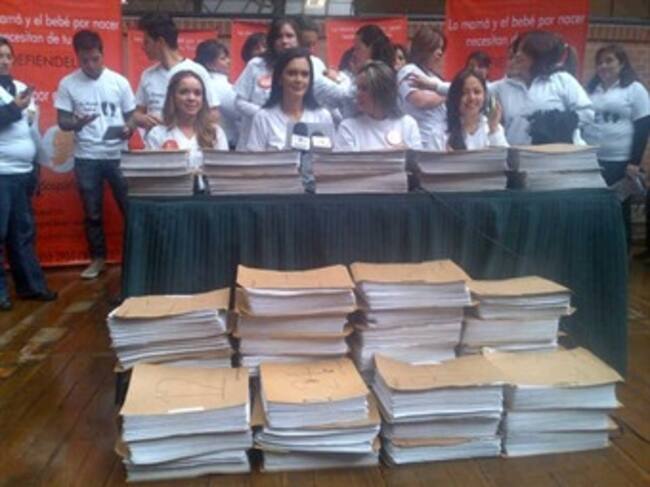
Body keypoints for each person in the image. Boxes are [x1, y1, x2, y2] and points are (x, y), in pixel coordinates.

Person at [55, 30, 136, 280]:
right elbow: (62, 121)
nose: (90, 65)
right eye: (84, 60)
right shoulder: (68, 83)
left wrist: (129, 128)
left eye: (95, 59)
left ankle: (135, 258)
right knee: (92, 213)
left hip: (119, 155)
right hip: (87, 157)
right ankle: (98, 259)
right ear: (77, 57)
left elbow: (132, 116)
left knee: (130, 209)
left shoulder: (119, 82)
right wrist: (76, 122)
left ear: (102, 54)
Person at [0, 37, 56, 310]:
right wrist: (16, 108)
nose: (4, 61)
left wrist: (37, 166)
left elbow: (32, 131)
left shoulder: (22, 88)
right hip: (1, 174)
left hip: (23, 172)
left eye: (7, 56)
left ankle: (31, 286)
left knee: (22, 233)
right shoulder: (18, 99)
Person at [583, 44, 650, 248]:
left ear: (622, 64)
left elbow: (643, 126)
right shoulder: (590, 90)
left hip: (619, 162)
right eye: (599, 62)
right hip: (591, 160)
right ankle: (595, 250)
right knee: (593, 208)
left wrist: (634, 162)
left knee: (618, 209)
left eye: (609, 60)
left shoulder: (634, 89)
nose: (603, 66)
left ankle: (620, 254)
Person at [500, 30, 593, 145]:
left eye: (525, 51)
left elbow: (587, 113)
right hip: (518, 154)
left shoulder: (562, 80)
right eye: (518, 50)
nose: (518, 54)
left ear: (540, 57)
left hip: (558, 153)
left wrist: (552, 124)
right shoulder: (501, 87)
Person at [133, 13, 219, 131]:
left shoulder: (197, 71)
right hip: (154, 141)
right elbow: (137, 112)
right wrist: (142, 119)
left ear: (160, 42)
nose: (143, 47)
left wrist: (181, 124)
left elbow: (213, 114)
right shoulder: (148, 75)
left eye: (147, 42)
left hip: (187, 141)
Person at [246, 48, 333, 151]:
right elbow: (255, 159)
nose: (299, 80)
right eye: (292, 73)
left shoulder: (322, 116)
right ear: (279, 79)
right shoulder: (263, 117)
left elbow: (330, 157)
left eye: (304, 74)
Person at [234, 18, 301, 150]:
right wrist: (266, 115)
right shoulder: (256, 65)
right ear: (272, 41)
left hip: (289, 144)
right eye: (279, 37)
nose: (284, 41)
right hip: (252, 144)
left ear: (298, 39)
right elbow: (239, 102)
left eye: (289, 36)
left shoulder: (307, 66)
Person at [145, 71, 228, 169]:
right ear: (172, 97)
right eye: (184, 92)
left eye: (197, 93)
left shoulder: (216, 133)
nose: (191, 98)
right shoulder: (157, 134)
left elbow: (223, 171)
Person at [334, 60, 421, 151]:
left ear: (381, 92)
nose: (358, 94)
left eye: (364, 89)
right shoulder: (348, 128)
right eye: (358, 88)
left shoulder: (408, 124)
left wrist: (408, 153)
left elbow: (419, 159)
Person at [397, 26, 447, 150]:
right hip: (420, 141)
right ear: (423, 48)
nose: (440, 53)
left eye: (441, 48)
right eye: (435, 47)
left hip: (440, 141)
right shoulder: (409, 71)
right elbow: (420, 100)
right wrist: (447, 93)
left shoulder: (435, 76)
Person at [445, 69, 508, 150]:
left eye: (477, 92)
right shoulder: (441, 131)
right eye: (465, 92)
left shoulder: (492, 127)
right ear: (455, 96)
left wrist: (493, 129)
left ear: (485, 96)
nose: (472, 98)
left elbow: (504, 156)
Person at [195, 40, 239, 148]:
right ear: (210, 64)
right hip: (226, 141)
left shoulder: (200, 80)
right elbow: (239, 111)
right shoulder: (219, 84)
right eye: (223, 59)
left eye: (227, 57)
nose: (228, 61)